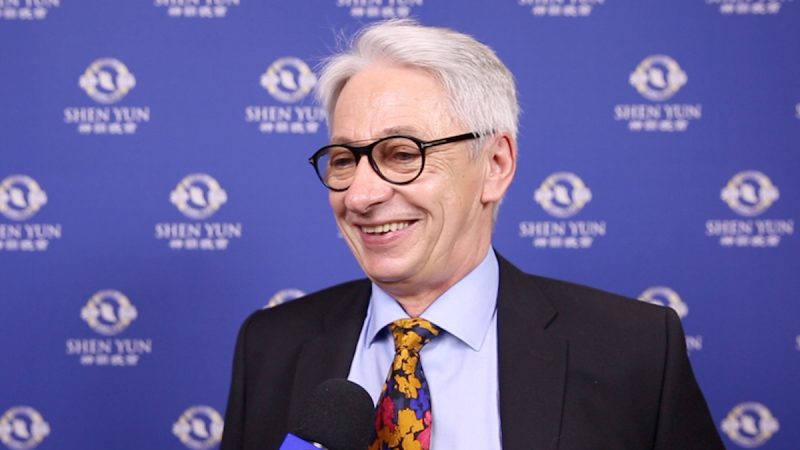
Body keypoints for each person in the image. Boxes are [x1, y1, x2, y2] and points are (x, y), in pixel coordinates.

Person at [221, 19, 724, 450]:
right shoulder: (271, 345)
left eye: (403, 154)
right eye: (344, 160)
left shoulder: (634, 349)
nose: (360, 195)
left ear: (496, 165)